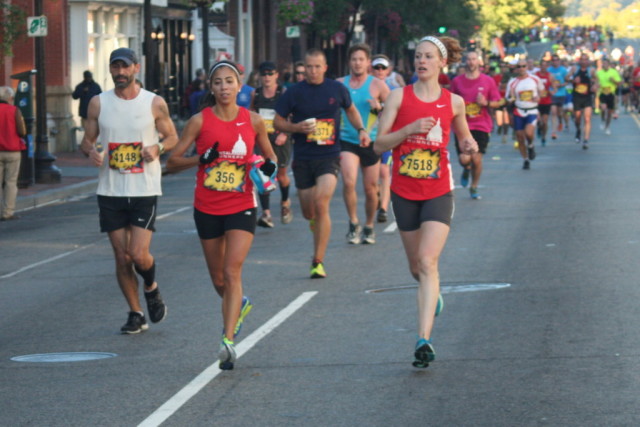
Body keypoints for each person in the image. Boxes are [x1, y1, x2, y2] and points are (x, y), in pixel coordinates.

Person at [374, 35, 477, 368]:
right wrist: (409, 130)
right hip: (404, 192)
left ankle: (423, 340)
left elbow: (464, 138)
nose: (422, 61)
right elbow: (378, 145)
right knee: (416, 267)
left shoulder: (454, 102)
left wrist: (469, 148)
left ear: (441, 63)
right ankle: (433, 293)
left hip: (438, 191)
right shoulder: (397, 97)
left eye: (429, 56)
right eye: (418, 55)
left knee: (428, 261)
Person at [167, 60, 277, 370]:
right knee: (218, 278)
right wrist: (200, 159)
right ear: (212, 88)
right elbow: (172, 162)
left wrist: (268, 168)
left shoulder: (253, 121)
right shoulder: (198, 122)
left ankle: (227, 341)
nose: (224, 87)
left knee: (232, 271)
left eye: (230, 81)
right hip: (206, 206)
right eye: (218, 82)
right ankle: (239, 305)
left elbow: (269, 157)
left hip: (241, 204)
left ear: (239, 86)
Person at [79, 48, 178, 334]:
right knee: (121, 256)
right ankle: (136, 313)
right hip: (110, 189)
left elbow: (172, 137)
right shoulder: (98, 103)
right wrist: (91, 152)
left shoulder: (154, 103)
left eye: (125, 67)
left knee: (138, 254)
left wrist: (156, 148)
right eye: (115, 67)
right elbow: (87, 141)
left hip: (144, 187)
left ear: (136, 68)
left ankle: (151, 286)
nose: (120, 73)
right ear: (110, 70)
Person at [274, 48, 369, 278]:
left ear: (325, 68)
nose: (313, 71)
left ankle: (318, 261)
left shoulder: (336, 89)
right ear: (303, 69)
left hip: (329, 156)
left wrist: (361, 130)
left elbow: (352, 110)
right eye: (309, 67)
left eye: (318, 66)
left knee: (321, 202)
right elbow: (277, 121)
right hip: (304, 158)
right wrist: (296, 128)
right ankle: (313, 222)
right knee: (309, 212)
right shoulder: (293, 93)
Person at [338, 44, 390, 244]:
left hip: (370, 141)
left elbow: (393, 109)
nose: (357, 63)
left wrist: (381, 107)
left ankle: (368, 225)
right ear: (349, 62)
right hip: (347, 139)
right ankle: (353, 222)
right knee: (349, 181)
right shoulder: (340, 84)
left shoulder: (377, 85)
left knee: (370, 188)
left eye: (361, 59)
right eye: (354, 59)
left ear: (368, 62)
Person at [449, 50, 502, 200]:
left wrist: (486, 103)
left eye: (474, 59)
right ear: (465, 62)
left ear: (479, 62)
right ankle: (466, 169)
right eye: (469, 59)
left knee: (477, 158)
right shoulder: (457, 81)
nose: (471, 62)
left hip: (481, 124)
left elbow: (497, 102)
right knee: (464, 159)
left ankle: (474, 186)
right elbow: (449, 102)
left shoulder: (487, 81)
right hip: (462, 125)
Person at [250, 61, 294, 227]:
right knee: (263, 176)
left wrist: (284, 133)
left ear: (276, 75)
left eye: (270, 74)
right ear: (259, 77)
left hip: (280, 140)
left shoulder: (283, 93)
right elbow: (252, 114)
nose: (267, 77)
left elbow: (292, 115)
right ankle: (266, 213)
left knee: (281, 176)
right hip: (262, 140)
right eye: (264, 74)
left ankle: (284, 202)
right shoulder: (256, 94)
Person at [371, 54, 401, 223]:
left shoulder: (393, 88)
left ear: (388, 70)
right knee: (372, 178)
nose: (380, 71)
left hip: (387, 136)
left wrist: (380, 107)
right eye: (377, 68)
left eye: (383, 68)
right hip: (368, 137)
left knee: (384, 171)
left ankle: (383, 208)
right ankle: (375, 195)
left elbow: (397, 112)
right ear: (372, 69)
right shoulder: (365, 87)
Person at [506, 59, 544, 169]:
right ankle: (525, 159)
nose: (522, 68)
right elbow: (508, 97)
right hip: (518, 110)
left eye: (524, 66)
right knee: (520, 137)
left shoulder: (535, 79)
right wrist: (511, 99)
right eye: (519, 66)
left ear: (527, 67)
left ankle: (531, 145)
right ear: (516, 68)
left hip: (532, 110)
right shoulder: (512, 82)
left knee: (528, 133)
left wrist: (538, 97)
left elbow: (542, 90)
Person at [0, 86, 27, 221]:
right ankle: (7, 212)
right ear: (10, 98)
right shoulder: (14, 110)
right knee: (10, 182)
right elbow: (22, 131)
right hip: (12, 150)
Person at [567, 53, 598, 149]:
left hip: (587, 97)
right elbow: (566, 78)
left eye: (586, 59)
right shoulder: (574, 69)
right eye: (582, 59)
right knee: (578, 117)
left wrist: (594, 86)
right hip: (577, 97)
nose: (584, 61)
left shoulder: (591, 70)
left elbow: (597, 80)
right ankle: (578, 130)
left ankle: (586, 140)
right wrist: (573, 81)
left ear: (588, 61)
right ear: (579, 61)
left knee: (587, 118)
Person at [596, 58, 621, 135]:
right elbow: (595, 82)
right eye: (603, 64)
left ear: (609, 65)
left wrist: (613, 80)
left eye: (606, 64)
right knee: (603, 108)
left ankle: (607, 127)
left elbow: (619, 83)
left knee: (609, 112)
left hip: (611, 94)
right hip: (602, 93)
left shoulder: (613, 72)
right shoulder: (599, 73)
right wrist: (596, 85)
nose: (605, 65)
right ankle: (603, 120)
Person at [547, 54, 569, 140]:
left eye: (556, 60)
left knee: (559, 113)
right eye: (553, 60)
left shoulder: (563, 70)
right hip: (552, 94)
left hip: (561, 93)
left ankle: (560, 121)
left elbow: (567, 81)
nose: (555, 61)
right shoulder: (549, 70)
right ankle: (553, 132)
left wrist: (560, 85)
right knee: (553, 112)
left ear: (559, 61)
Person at [535, 59, 555, 146]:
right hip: (537, 102)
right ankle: (539, 128)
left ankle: (543, 137)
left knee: (545, 121)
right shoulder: (536, 76)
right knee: (539, 120)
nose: (543, 67)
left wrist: (552, 92)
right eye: (542, 65)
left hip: (547, 101)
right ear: (540, 66)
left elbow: (554, 88)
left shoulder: (550, 76)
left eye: (545, 65)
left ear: (547, 66)